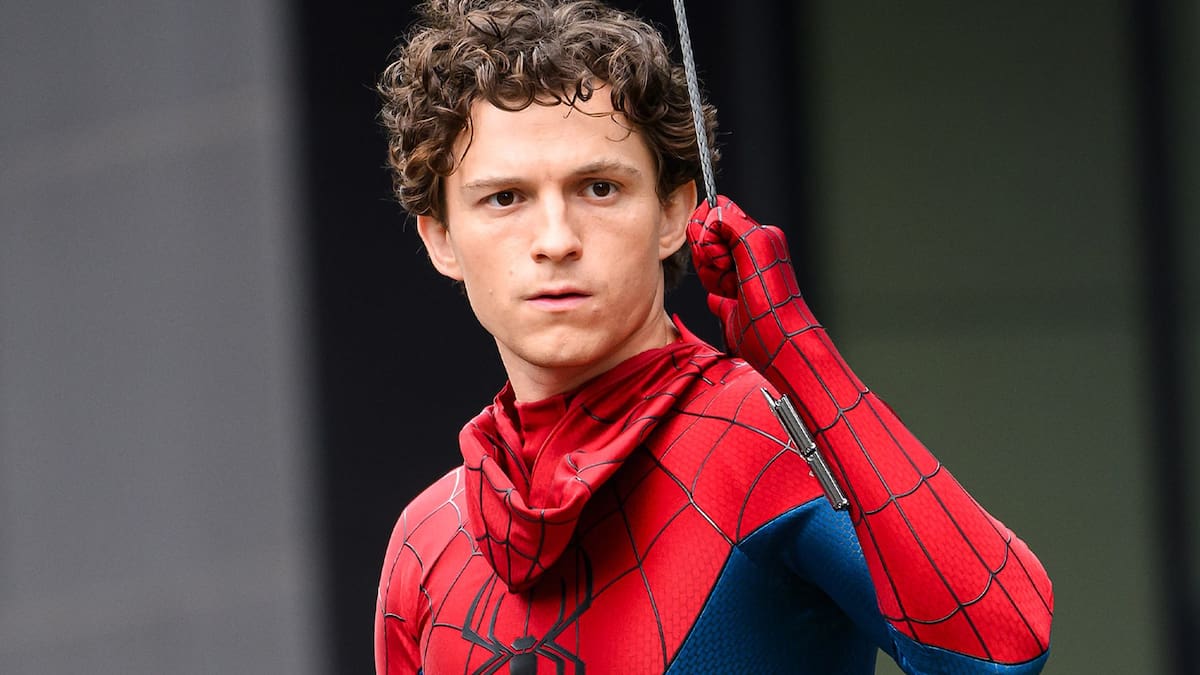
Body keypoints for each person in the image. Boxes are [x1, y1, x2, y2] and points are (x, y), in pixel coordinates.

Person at [373, 1, 1054, 673]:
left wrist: (802, 358)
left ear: (674, 212)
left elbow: (1001, 654)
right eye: (505, 198)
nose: (555, 240)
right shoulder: (427, 540)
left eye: (600, 188)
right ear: (441, 239)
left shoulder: (757, 434)